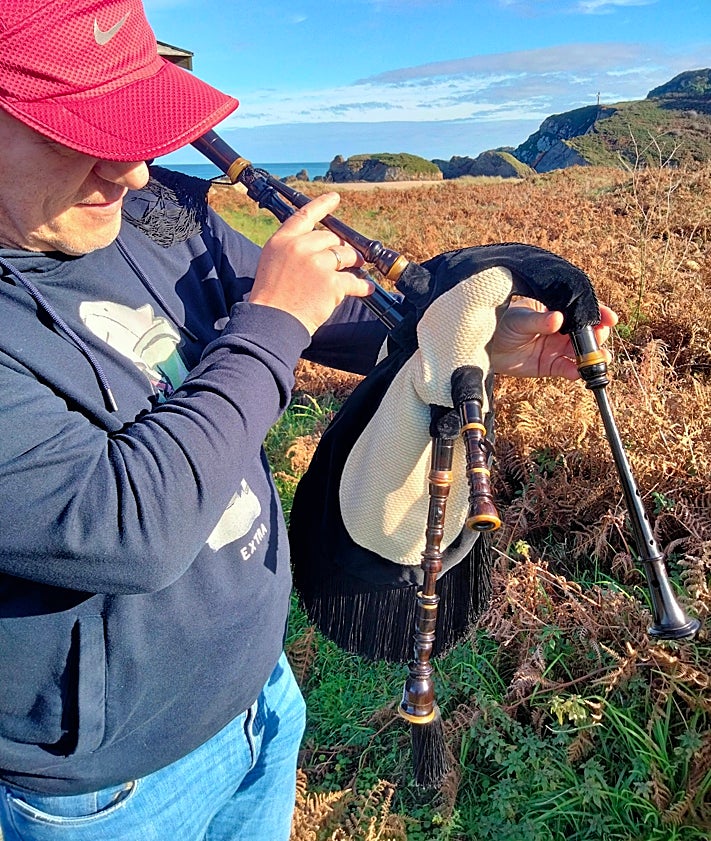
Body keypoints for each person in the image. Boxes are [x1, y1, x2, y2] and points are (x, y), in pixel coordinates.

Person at [0, 2, 617, 840]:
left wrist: (469, 337)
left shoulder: (144, 220)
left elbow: (333, 316)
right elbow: (123, 529)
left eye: (136, 127)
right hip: (106, 787)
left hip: (258, 691)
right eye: (89, 131)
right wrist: (270, 323)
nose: (136, 171)